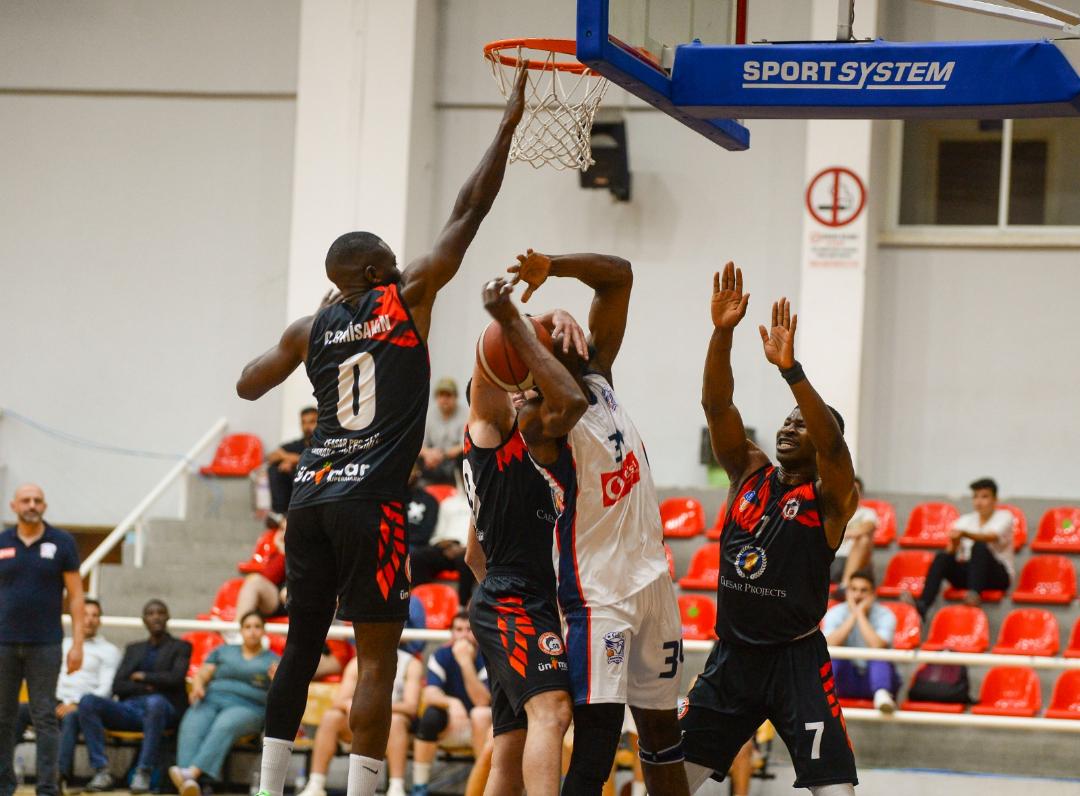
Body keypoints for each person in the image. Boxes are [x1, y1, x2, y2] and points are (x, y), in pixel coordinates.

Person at [234, 68, 526, 796]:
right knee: (376, 659)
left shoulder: (308, 327)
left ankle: (270, 787)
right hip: (372, 502)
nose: (400, 266)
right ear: (373, 271)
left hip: (310, 498)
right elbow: (468, 210)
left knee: (300, 649)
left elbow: (247, 384)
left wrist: (319, 324)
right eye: (389, 262)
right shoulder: (405, 298)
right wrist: (506, 127)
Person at [507, 252, 688, 796]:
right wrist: (539, 326)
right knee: (596, 751)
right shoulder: (538, 420)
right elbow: (562, 398)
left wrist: (552, 266)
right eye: (550, 336)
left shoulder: (598, 377)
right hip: (599, 596)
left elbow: (619, 275)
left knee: (663, 737)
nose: (569, 332)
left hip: (653, 581)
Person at [679, 263, 859, 795]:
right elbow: (716, 404)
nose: (788, 426)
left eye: (801, 424)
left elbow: (833, 447)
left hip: (796, 661)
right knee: (669, 784)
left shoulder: (832, 498)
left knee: (836, 791)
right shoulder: (748, 471)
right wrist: (722, 334)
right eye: (787, 419)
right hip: (732, 657)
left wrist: (792, 372)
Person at [462, 282, 588, 796]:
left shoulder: (546, 446)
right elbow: (492, 354)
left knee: (511, 744)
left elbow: (473, 553)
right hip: (513, 595)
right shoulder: (490, 430)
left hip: (517, 594)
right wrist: (537, 316)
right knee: (553, 712)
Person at [0, 483, 85, 796]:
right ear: (14, 506)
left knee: (45, 716)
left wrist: (78, 644)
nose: (32, 505)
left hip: (46, 644)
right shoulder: (2, 542)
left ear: (45, 506)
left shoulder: (62, 542)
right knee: (2, 717)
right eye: (26, 500)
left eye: (37, 500)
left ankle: (48, 788)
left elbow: (76, 596)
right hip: (4, 643)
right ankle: (3, 786)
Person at [79, 599, 192, 793]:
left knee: (155, 702)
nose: (156, 617)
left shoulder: (181, 647)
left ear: (168, 617)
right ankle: (101, 771)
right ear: (144, 620)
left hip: (164, 711)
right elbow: (118, 685)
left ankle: (143, 771)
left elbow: (175, 679)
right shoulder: (134, 649)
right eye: (150, 613)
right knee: (88, 701)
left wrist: (143, 677)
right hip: (130, 709)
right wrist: (151, 685)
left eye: (160, 613)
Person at [169, 611, 280, 796]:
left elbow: (282, 693)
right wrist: (198, 687)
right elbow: (202, 674)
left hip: (249, 707)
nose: (252, 631)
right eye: (248, 627)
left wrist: (277, 680)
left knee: (225, 724)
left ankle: (190, 775)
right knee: (192, 722)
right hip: (212, 700)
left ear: (264, 631)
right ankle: (190, 784)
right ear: (241, 631)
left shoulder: (273, 660)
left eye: (257, 627)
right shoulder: (223, 651)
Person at [15, 598, 120, 787]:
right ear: (76, 618)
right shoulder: (61, 645)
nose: (89, 620)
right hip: (54, 702)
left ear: (100, 621)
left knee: (70, 718)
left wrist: (77, 704)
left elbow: (106, 688)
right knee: (20, 711)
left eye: (94, 615)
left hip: (85, 708)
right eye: (85, 615)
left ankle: (57, 777)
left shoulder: (109, 651)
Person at [298, 645, 423, 796]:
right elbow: (340, 700)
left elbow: (411, 707)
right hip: (360, 719)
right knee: (331, 717)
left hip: (391, 722)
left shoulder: (411, 664)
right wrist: (351, 705)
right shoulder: (356, 662)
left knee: (396, 721)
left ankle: (396, 788)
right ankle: (315, 785)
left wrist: (377, 708)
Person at [906, 477, 1015, 618]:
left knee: (979, 547)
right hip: (970, 574)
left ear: (995, 500)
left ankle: (974, 595)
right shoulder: (965, 520)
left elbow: (991, 536)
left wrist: (964, 534)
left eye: (984, 497)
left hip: (997, 576)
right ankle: (923, 604)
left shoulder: (1005, 516)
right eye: (975, 497)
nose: (979, 502)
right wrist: (955, 541)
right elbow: (951, 551)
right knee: (942, 557)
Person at [410, 612, 492, 796]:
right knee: (431, 715)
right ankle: (419, 787)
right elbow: (430, 694)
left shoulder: (486, 656)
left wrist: (465, 663)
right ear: (452, 633)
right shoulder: (441, 655)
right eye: (459, 630)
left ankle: (484, 785)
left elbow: (482, 700)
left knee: (480, 714)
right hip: (453, 724)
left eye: (469, 630)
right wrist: (452, 703)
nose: (463, 635)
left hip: (482, 726)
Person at [822, 570, 900, 713]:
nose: (857, 595)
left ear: (873, 594)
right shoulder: (835, 613)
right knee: (835, 656)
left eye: (863, 590)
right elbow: (830, 643)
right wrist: (854, 615)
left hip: (878, 679)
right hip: (847, 678)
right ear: (847, 592)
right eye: (853, 589)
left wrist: (860, 614)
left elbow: (877, 645)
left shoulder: (886, 615)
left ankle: (882, 696)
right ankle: (824, 698)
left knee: (879, 655)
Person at [830, 477, 877, 596]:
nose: (851, 493)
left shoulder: (867, 513)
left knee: (864, 539)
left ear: (860, 494)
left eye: (855, 490)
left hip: (856, 561)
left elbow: (866, 528)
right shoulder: (834, 514)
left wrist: (842, 533)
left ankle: (845, 586)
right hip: (833, 559)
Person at [267, 407, 319, 513]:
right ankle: (280, 513)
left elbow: (318, 460)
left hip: (316, 486)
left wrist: (294, 462)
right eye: (303, 423)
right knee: (274, 468)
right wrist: (286, 458)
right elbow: (271, 456)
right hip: (293, 489)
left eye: (312, 422)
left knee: (298, 469)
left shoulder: (323, 444)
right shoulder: (296, 444)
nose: (307, 427)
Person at [235, 519, 288, 620]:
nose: (283, 534)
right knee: (254, 581)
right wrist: (282, 553)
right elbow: (268, 578)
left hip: (295, 598)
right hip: (275, 599)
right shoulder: (278, 553)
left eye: (288, 530)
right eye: (281, 529)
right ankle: (239, 626)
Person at [420, 379, 465, 486]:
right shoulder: (428, 414)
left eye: (448, 395)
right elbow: (419, 444)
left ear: (455, 397)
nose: (444, 399)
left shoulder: (465, 414)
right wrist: (428, 454)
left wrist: (443, 455)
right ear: (436, 397)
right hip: (432, 459)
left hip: (454, 461)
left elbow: (465, 445)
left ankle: (461, 490)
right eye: (441, 395)